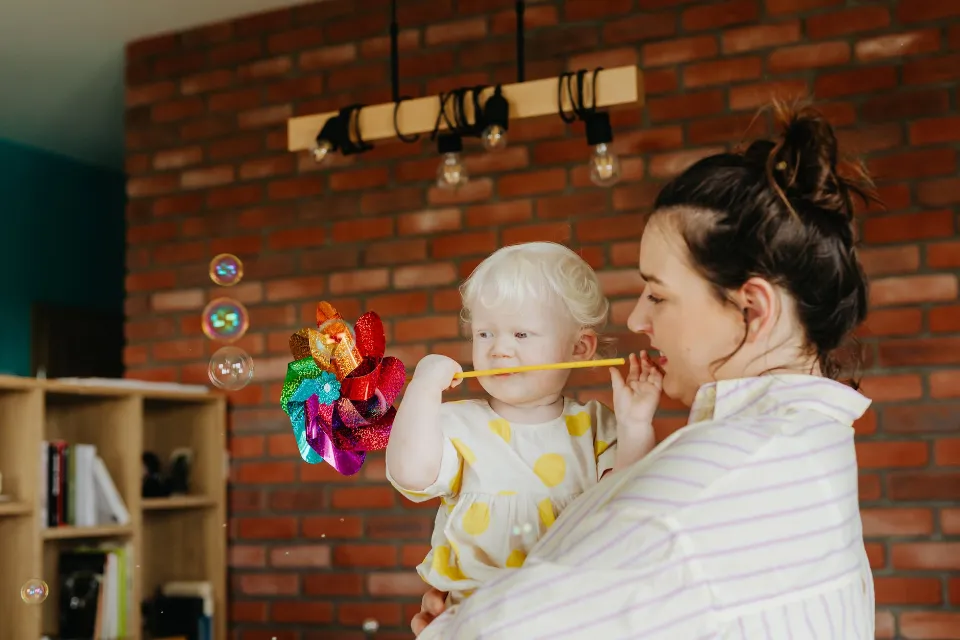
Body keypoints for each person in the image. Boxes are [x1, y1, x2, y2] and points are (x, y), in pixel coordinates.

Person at [409, 100, 877, 638]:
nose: (636, 319)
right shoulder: (806, 444)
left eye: (657, 294)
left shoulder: (709, 484)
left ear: (753, 309)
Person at [385, 242, 663, 609]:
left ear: (579, 349)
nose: (498, 349)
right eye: (485, 333)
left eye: (521, 334)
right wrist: (421, 389)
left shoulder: (594, 426)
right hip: (476, 619)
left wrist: (635, 425)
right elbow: (410, 474)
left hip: (570, 614)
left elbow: (623, 506)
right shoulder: (460, 424)